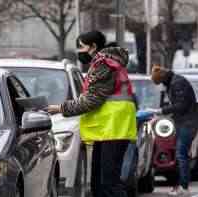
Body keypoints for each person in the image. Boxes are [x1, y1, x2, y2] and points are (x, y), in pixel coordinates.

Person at [47, 30, 137, 197]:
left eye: (81, 47)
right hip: (109, 130)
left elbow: (92, 100)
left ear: (93, 46)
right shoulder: (107, 62)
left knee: (108, 184)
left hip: (113, 129)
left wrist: (60, 108)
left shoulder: (104, 64)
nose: (78, 51)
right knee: (100, 183)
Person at [148, 65, 197, 196]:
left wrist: (161, 111)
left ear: (163, 78)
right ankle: (181, 185)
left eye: (159, 82)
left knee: (181, 154)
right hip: (184, 122)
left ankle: (184, 187)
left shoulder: (177, 83)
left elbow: (181, 105)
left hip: (188, 123)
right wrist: (159, 115)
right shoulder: (173, 82)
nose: (161, 85)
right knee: (181, 154)